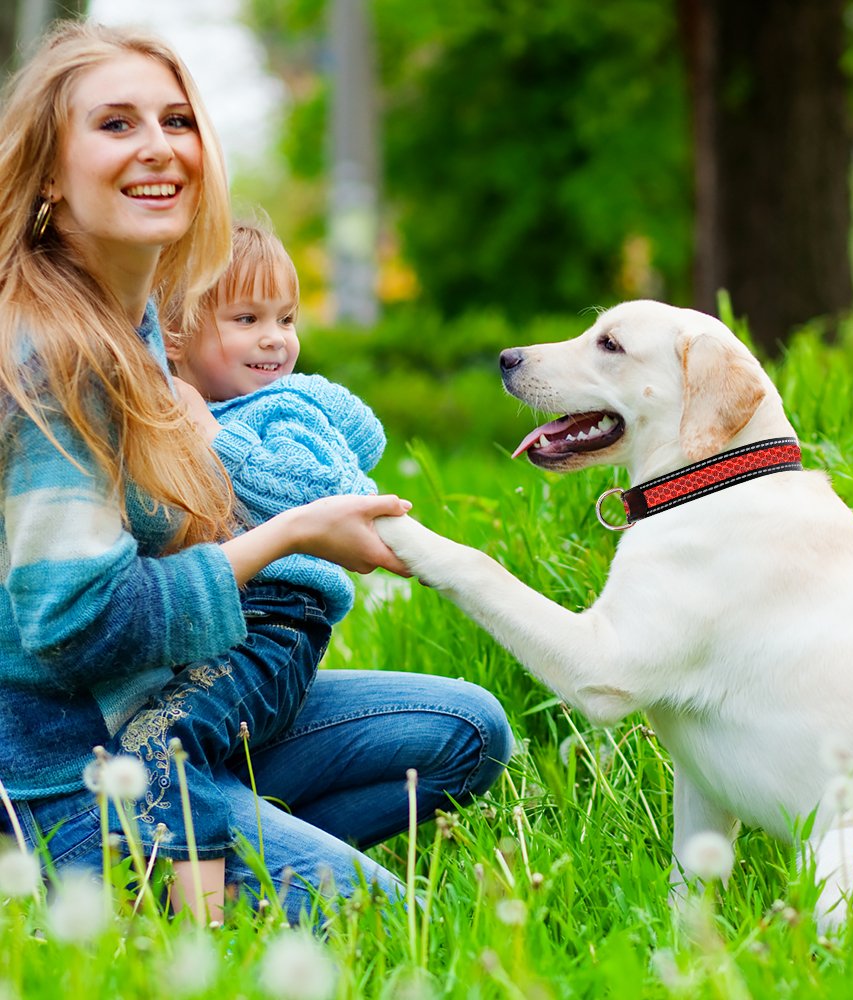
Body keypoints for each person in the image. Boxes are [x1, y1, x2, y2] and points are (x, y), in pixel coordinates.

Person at [0, 20, 512, 923]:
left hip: (167, 715)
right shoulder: (55, 354)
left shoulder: (135, 324)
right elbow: (76, 627)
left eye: (177, 120)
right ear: (48, 172)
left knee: (467, 730)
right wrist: (293, 534)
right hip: (82, 772)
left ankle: (226, 841)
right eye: (115, 124)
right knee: (387, 927)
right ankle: (148, 873)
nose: (158, 147)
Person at [110, 219, 392, 915]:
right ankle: (248, 855)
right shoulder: (165, 406)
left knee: (164, 745)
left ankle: (199, 922)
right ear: (174, 335)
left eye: (286, 319)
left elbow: (333, 500)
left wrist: (216, 440)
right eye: (247, 319)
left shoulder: (284, 410)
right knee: (173, 739)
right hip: (202, 627)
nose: (275, 339)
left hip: (271, 626)